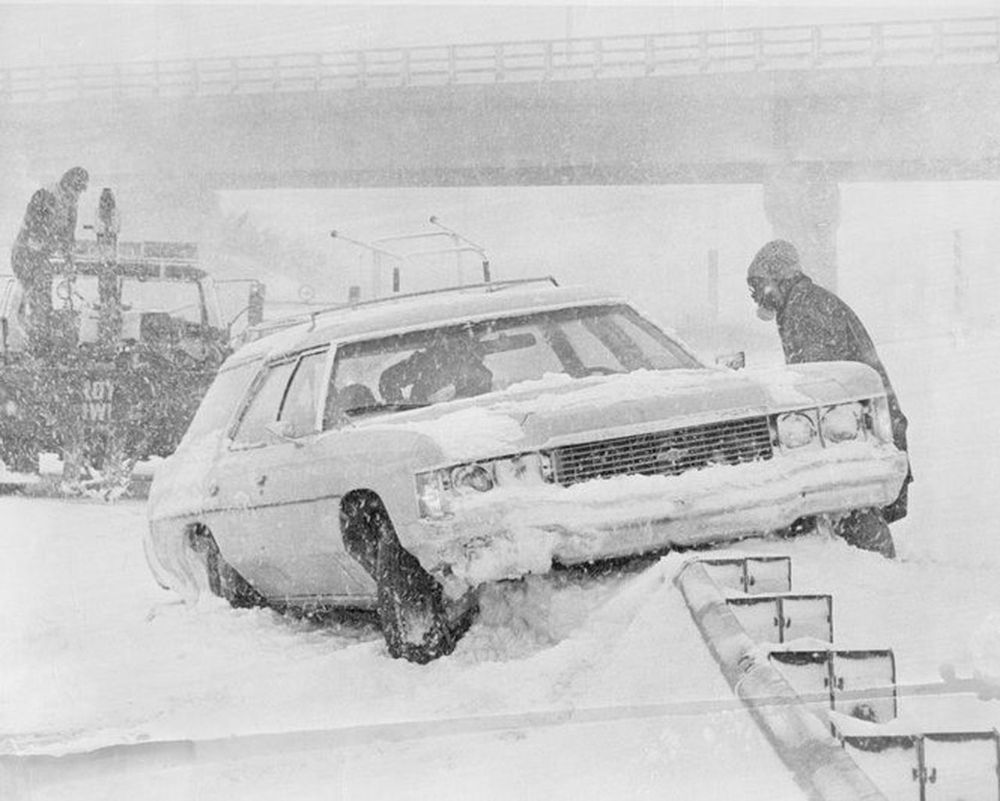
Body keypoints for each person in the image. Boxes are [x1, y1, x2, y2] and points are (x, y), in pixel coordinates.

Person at [747, 238, 912, 558]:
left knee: (850, 504)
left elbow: (817, 390)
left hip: (860, 429)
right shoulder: (806, 303)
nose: (755, 296)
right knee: (856, 509)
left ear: (777, 280)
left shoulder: (806, 312)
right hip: (869, 422)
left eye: (756, 285)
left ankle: (871, 572)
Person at [10, 167, 90, 351]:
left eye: (79, 191)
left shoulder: (71, 204)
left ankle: (40, 338)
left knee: (42, 301)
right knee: (38, 300)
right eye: (75, 189)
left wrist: (70, 264)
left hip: (40, 256)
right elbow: (35, 231)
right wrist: (49, 245)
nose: (76, 195)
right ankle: (35, 342)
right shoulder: (46, 195)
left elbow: (68, 238)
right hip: (26, 254)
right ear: (66, 183)